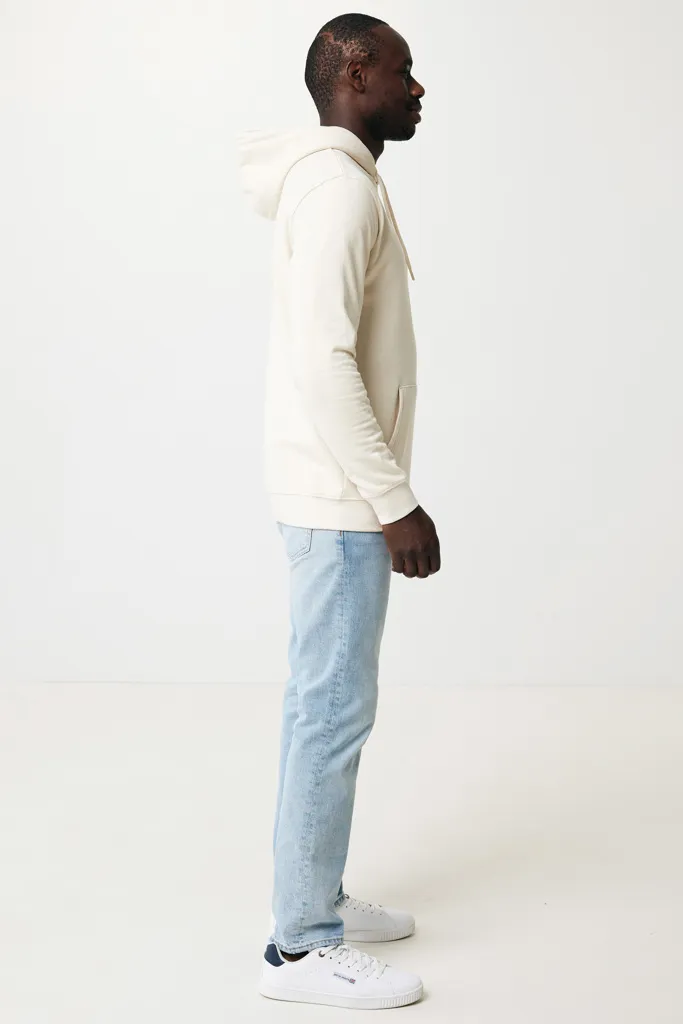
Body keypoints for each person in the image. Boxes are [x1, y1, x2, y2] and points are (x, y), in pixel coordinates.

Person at [238, 12, 441, 1010]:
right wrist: (395, 501)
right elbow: (324, 362)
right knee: (328, 712)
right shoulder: (337, 193)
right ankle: (299, 949)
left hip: (335, 493)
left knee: (324, 707)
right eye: (402, 70)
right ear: (353, 74)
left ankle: (313, 896)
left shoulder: (344, 184)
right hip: (343, 500)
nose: (417, 87)